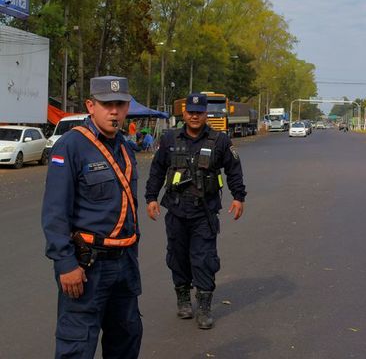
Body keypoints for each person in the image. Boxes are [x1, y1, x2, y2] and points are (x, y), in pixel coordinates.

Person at [42, 76, 142, 358]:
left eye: (120, 104)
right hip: (88, 268)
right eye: (106, 104)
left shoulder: (124, 146)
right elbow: (54, 211)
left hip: (124, 264)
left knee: (126, 338)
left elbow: (127, 207)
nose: (114, 111)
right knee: (78, 345)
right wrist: (65, 264)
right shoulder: (70, 146)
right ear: (90, 105)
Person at [145, 93, 246, 329]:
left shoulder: (220, 141)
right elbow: (157, 170)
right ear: (184, 113)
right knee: (177, 258)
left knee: (203, 259)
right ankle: (183, 299)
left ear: (205, 114)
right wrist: (151, 198)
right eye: (190, 112)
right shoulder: (170, 139)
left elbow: (234, 169)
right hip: (177, 211)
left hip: (205, 212)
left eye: (199, 112)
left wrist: (239, 196)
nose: (194, 116)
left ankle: (203, 307)